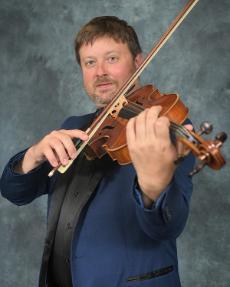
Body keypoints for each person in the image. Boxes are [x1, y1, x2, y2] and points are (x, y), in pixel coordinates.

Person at [0, 16, 195, 287]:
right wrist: (33, 155)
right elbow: (14, 192)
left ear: (138, 62)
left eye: (112, 58)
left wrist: (154, 187)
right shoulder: (74, 128)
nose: (100, 71)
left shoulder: (166, 128)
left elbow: (167, 226)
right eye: (90, 62)